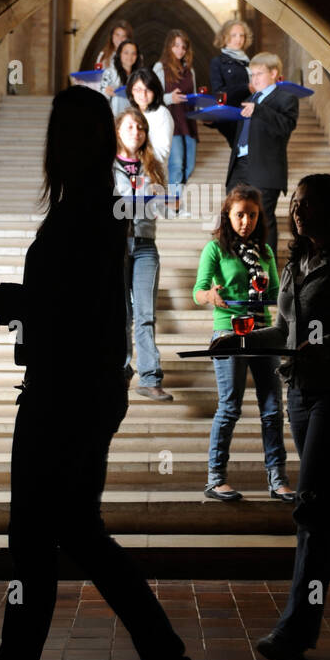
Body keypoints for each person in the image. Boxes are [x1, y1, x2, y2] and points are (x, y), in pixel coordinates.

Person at [0, 86, 197, 660]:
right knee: (73, 536)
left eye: (59, 130)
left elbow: (69, 310)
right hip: (79, 389)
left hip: (64, 395)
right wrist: (13, 300)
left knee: (35, 544)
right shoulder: (90, 207)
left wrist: (4, 295)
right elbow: (68, 305)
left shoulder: (87, 212)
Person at [219, 173, 330, 660]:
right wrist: (239, 341)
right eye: (295, 203)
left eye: (308, 203)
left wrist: (323, 346)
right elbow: (282, 330)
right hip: (300, 395)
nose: (297, 211)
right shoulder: (295, 261)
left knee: (313, 508)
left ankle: (298, 629)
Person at [193, 185, 293, 502]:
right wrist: (211, 295)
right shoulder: (215, 249)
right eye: (239, 214)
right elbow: (198, 292)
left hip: (263, 332)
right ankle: (215, 479)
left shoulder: (263, 251)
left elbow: (279, 294)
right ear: (228, 215)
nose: (245, 221)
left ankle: (278, 480)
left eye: (251, 214)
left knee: (272, 410)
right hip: (229, 333)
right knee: (230, 407)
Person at [114, 108, 173, 402]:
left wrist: (163, 198)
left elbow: (162, 209)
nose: (136, 132)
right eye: (129, 127)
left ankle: (150, 378)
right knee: (121, 314)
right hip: (116, 244)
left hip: (146, 245)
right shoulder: (107, 166)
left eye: (140, 128)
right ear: (117, 131)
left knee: (145, 314)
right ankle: (121, 373)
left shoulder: (153, 165)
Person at [225, 52, 298, 255]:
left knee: (263, 219)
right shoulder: (248, 100)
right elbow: (238, 136)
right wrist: (214, 121)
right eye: (252, 74)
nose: (254, 78)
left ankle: (268, 269)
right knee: (234, 215)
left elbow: (285, 127)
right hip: (239, 166)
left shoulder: (286, 99)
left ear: (274, 73)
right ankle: (238, 263)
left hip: (264, 169)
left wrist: (259, 110)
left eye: (259, 73)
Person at [153, 29, 197, 211]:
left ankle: (174, 199)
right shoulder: (159, 68)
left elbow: (193, 96)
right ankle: (173, 204)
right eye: (176, 45)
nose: (180, 50)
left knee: (190, 165)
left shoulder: (190, 70)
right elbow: (153, 98)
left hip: (188, 120)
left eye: (183, 47)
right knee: (176, 164)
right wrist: (171, 97)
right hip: (170, 122)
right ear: (169, 47)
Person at [209, 16, 254, 149]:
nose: (239, 39)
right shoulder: (218, 62)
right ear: (224, 37)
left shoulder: (249, 61)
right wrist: (246, 88)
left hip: (251, 113)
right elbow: (219, 93)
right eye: (234, 35)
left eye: (242, 35)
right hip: (232, 116)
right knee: (242, 156)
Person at [127, 66, 173, 169]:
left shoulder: (162, 113)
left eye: (148, 89)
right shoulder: (130, 114)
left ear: (155, 91)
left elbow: (163, 151)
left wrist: (137, 160)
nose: (143, 94)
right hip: (131, 172)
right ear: (131, 91)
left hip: (152, 174)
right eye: (138, 89)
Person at [99, 38, 141, 115]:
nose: (130, 56)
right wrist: (106, 92)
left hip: (134, 116)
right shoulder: (109, 73)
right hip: (114, 116)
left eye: (133, 53)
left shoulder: (139, 75)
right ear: (119, 54)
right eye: (126, 53)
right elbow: (100, 97)